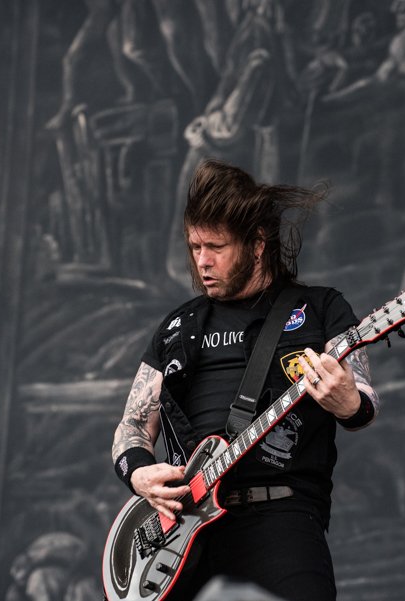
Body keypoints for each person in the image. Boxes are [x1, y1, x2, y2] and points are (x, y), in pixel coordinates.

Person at [110, 159, 380, 601]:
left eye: (216, 246)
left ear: (257, 244)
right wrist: (139, 474)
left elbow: (363, 398)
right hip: (180, 531)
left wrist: (349, 402)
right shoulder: (177, 326)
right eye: (195, 246)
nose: (202, 261)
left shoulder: (320, 309)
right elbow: (133, 426)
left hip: (281, 517)